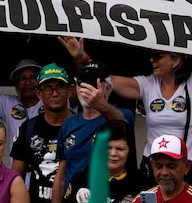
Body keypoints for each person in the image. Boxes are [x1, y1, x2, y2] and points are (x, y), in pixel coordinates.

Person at [61, 38, 192, 191]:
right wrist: (82, 57)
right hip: (153, 165)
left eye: (158, 56)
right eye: (152, 55)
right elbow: (106, 79)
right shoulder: (146, 84)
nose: (152, 60)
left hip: (187, 163)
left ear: (176, 60)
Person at [51, 61, 133, 203]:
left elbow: (123, 127)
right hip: (74, 197)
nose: (86, 89)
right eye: (82, 84)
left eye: (93, 84)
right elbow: (61, 175)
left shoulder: (121, 114)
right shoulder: (69, 123)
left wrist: (100, 104)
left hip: (109, 196)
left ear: (108, 89)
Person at [11, 64, 74, 203]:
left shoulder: (80, 127)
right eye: (48, 88)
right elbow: (16, 179)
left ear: (69, 91)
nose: (55, 93)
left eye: (60, 87)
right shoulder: (28, 129)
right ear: (39, 93)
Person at [64, 120, 144, 203]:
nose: (113, 153)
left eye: (120, 149)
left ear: (130, 151)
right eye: (108, 147)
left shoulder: (141, 186)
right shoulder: (80, 179)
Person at [131, 135, 192, 203]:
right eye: (158, 166)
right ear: (152, 165)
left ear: (186, 166)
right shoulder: (139, 201)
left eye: (171, 166)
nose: (164, 172)